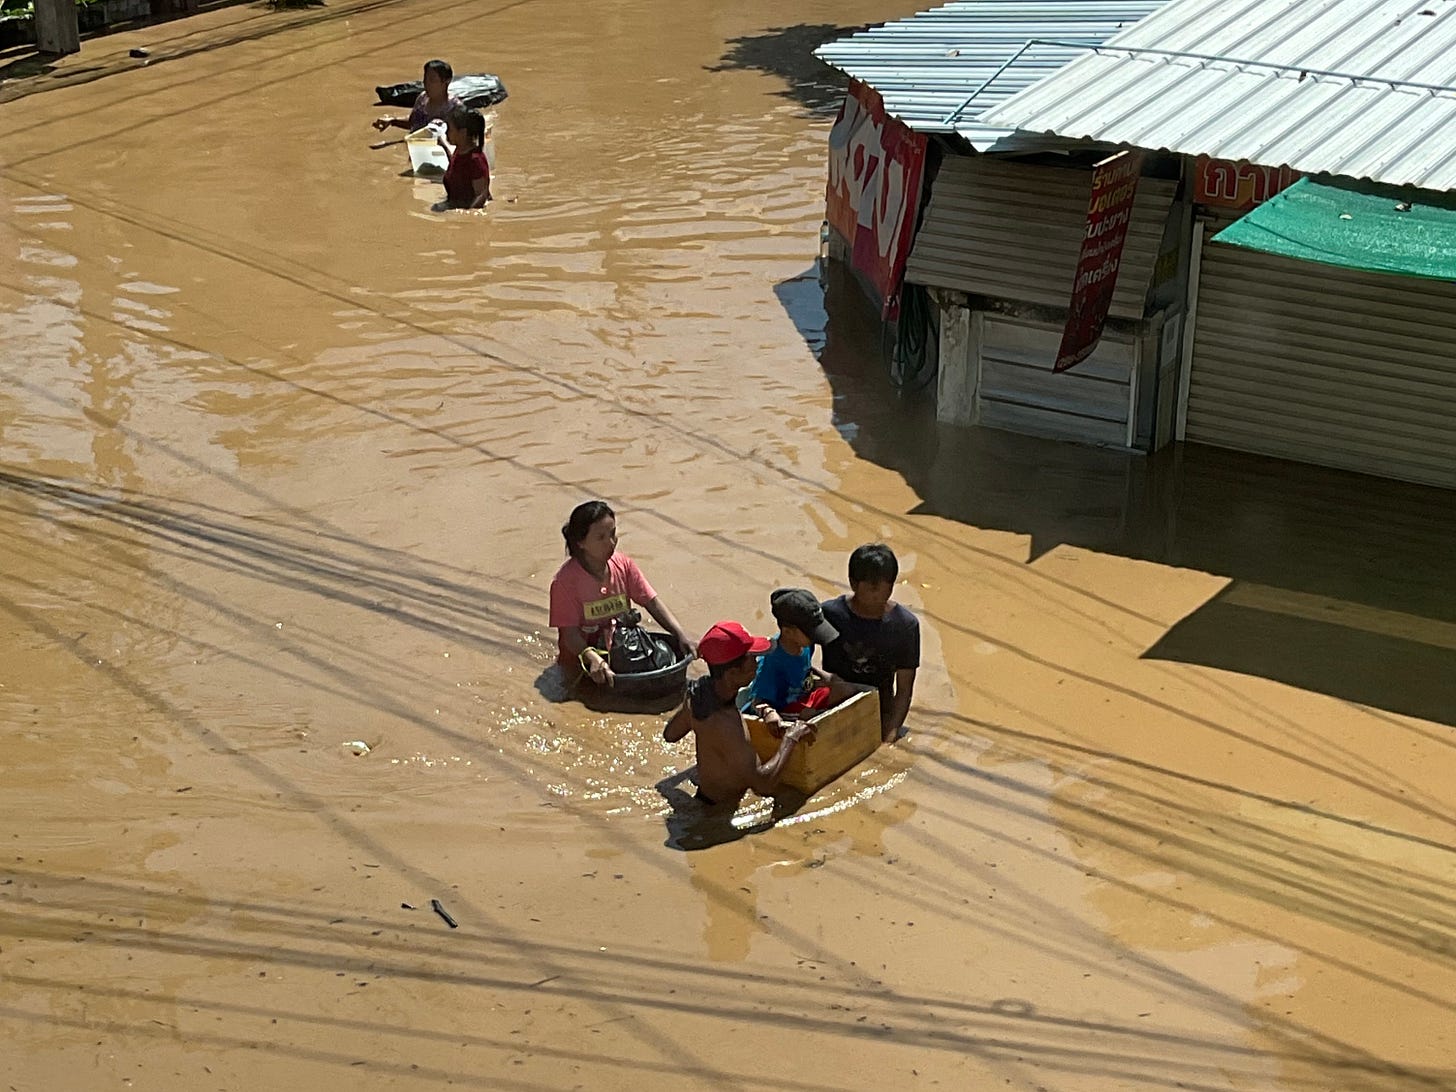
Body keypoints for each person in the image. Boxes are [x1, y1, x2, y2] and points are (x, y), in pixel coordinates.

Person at [663, 621, 814, 809]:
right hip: (718, 811)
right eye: (752, 658)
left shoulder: (698, 695)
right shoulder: (727, 726)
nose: (757, 662)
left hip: (705, 797)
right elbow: (763, 784)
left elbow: (670, 735)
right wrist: (791, 737)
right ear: (732, 673)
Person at [549, 500, 696, 687]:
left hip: (622, 652)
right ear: (581, 543)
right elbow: (570, 635)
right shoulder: (565, 582)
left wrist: (681, 635)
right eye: (601, 537)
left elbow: (651, 602)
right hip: (583, 664)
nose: (611, 543)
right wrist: (592, 658)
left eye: (612, 534)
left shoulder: (623, 566)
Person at [821, 544, 920, 742]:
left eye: (884, 587)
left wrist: (890, 735)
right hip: (833, 705)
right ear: (853, 583)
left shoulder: (905, 626)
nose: (877, 595)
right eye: (871, 588)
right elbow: (798, 656)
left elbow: (904, 689)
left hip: (879, 709)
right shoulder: (830, 615)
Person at [746, 588, 839, 716]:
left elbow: (804, 668)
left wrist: (827, 678)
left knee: (843, 690)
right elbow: (757, 702)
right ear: (788, 632)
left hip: (802, 698)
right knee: (810, 715)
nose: (815, 638)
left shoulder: (806, 645)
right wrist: (768, 713)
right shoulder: (772, 661)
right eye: (811, 633)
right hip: (782, 711)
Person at [372, 59, 463, 133]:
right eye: (425, 78)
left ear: (446, 82)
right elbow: (413, 122)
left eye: (432, 80)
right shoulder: (422, 99)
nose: (426, 84)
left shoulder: (455, 107)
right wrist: (392, 121)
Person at [436, 106, 492, 210]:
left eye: (449, 129)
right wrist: (444, 146)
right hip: (454, 203)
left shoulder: (475, 161)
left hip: (463, 208)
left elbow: (481, 196)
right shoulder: (460, 151)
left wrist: (467, 220)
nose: (446, 133)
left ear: (463, 133)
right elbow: (456, 167)